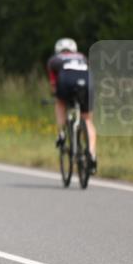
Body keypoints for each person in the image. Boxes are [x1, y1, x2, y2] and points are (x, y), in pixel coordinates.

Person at [47, 38, 97, 173]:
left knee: (60, 102)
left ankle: (62, 133)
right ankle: (91, 154)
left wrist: (56, 94)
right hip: (87, 82)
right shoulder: (82, 57)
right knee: (87, 119)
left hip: (66, 79)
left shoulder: (54, 60)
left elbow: (53, 85)